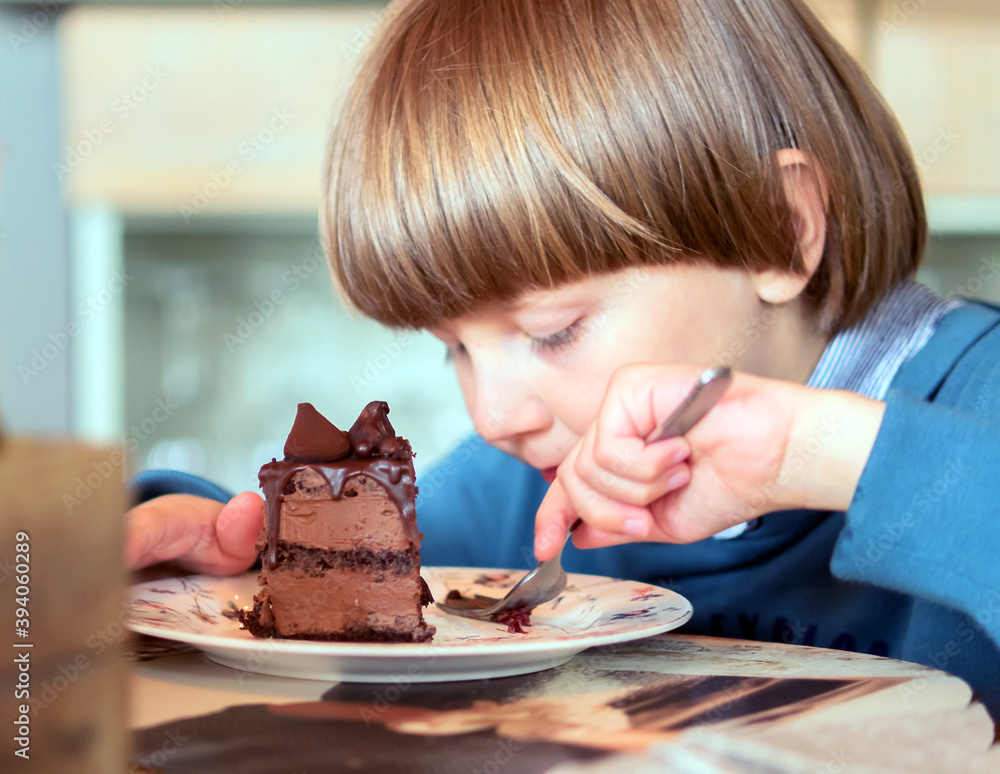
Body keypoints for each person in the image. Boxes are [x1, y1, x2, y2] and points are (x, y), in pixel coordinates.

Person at [125, 0, 1000, 714]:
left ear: (781, 231)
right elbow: (356, 567)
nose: (494, 413)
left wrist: (813, 457)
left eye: (551, 331)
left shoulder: (977, 401)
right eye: (454, 352)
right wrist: (208, 547)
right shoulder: (530, 494)